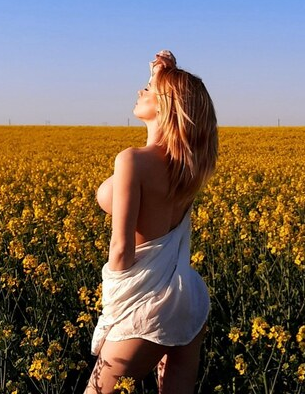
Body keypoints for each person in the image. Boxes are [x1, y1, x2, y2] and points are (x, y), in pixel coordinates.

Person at [85, 50, 218, 394]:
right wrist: (162, 75)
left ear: (164, 105)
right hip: (186, 296)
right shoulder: (189, 166)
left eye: (147, 89)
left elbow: (121, 249)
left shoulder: (132, 161)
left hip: (146, 304)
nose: (139, 91)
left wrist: (113, 312)